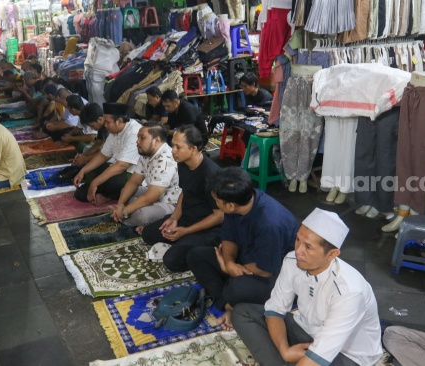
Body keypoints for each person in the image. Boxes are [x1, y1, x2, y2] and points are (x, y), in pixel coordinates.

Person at [231, 208, 383, 366]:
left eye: (308, 247)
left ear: (332, 254)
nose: (298, 251)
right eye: (298, 240)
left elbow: (321, 355)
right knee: (243, 313)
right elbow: (275, 310)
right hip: (307, 330)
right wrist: (285, 352)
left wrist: (305, 358)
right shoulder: (292, 261)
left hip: (345, 354)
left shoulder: (349, 291)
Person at [188, 166, 299, 330]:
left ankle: (230, 301)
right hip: (246, 261)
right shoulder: (239, 204)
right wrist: (229, 263)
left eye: (217, 201)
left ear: (231, 205)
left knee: (236, 290)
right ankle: (229, 307)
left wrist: (229, 269)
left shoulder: (269, 223)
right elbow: (229, 238)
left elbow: (265, 269)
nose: (216, 204)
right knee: (195, 256)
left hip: (276, 275)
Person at [141, 125, 223, 272]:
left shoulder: (211, 174)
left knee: (171, 261)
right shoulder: (183, 163)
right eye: (173, 146)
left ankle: (197, 247)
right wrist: (174, 218)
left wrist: (185, 231)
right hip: (188, 217)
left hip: (209, 228)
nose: (173, 151)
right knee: (148, 234)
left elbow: (219, 216)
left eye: (178, 147)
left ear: (193, 149)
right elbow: (185, 191)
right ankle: (183, 242)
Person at [109, 122, 181, 227]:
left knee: (142, 215)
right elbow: (134, 181)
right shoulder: (146, 153)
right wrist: (120, 204)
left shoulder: (166, 160)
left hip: (170, 202)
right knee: (125, 191)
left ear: (156, 140)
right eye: (138, 137)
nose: (137, 141)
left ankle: (124, 216)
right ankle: (129, 211)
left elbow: (151, 197)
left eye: (142, 138)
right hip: (152, 193)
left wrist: (124, 211)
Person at [72, 103, 141, 204]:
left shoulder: (134, 132)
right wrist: (83, 170)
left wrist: (94, 183)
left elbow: (121, 166)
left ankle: (107, 195)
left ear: (119, 121)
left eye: (108, 122)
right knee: (89, 173)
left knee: (113, 183)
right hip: (117, 167)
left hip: (133, 174)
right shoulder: (115, 130)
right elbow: (103, 155)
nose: (105, 125)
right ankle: (103, 193)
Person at [70, 102, 108, 167]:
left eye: (92, 125)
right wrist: (84, 155)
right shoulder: (101, 126)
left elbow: (107, 153)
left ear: (100, 119)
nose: (91, 128)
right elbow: (99, 143)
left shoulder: (110, 127)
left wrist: (85, 159)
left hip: (117, 155)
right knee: (86, 149)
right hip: (108, 151)